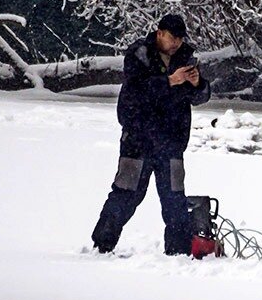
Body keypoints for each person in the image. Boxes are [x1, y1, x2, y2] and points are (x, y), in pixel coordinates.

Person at [91, 14, 212, 255]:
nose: (176, 43)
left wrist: (198, 84)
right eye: (171, 37)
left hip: (171, 140)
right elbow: (135, 91)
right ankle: (102, 244)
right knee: (127, 193)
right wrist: (169, 81)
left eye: (179, 38)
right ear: (159, 33)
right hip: (139, 139)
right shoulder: (139, 54)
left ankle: (178, 251)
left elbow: (199, 97)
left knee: (174, 199)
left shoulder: (186, 58)